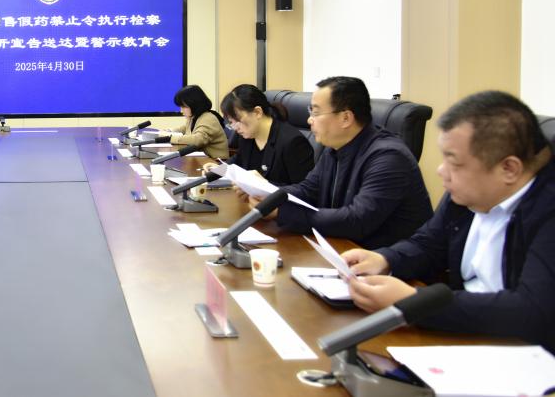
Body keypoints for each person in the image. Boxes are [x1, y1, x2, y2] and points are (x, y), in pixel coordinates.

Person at [341, 91, 555, 350]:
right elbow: (429, 244)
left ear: (509, 169)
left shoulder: (547, 208)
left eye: (455, 163)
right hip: (468, 334)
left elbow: (533, 311)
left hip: (526, 353)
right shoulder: (468, 195)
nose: (441, 171)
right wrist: (386, 259)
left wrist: (414, 302)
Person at [265, 76, 432, 248]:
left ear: (346, 118)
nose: (309, 120)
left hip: (387, 258)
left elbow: (357, 220)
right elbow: (308, 190)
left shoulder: (389, 157)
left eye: (315, 112)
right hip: (344, 248)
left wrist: (283, 213)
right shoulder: (335, 147)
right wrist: (267, 196)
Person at [208, 84, 315, 185]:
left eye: (238, 120)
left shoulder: (292, 142)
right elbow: (238, 160)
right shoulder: (247, 136)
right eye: (232, 122)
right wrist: (218, 169)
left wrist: (263, 184)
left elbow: (304, 190)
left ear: (257, 112)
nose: (235, 128)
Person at [167, 85, 229, 159]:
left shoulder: (208, 118)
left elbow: (198, 140)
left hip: (216, 161)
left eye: (183, 107)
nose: (181, 111)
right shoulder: (194, 117)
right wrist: (168, 131)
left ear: (194, 104)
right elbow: (185, 128)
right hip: (204, 159)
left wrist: (170, 138)